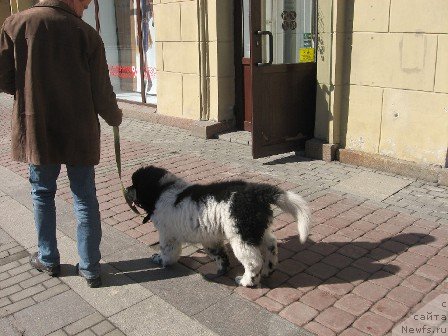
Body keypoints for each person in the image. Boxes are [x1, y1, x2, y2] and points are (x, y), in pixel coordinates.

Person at [0, 0, 122, 288]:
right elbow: (101, 90)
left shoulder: (15, 24)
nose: (87, 7)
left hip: (37, 125)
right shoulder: (87, 34)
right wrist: (114, 116)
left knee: (42, 192)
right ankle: (91, 267)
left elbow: (4, 79)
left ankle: (48, 258)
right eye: (85, 2)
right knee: (84, 196)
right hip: (79, 131)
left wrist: (29, 87)